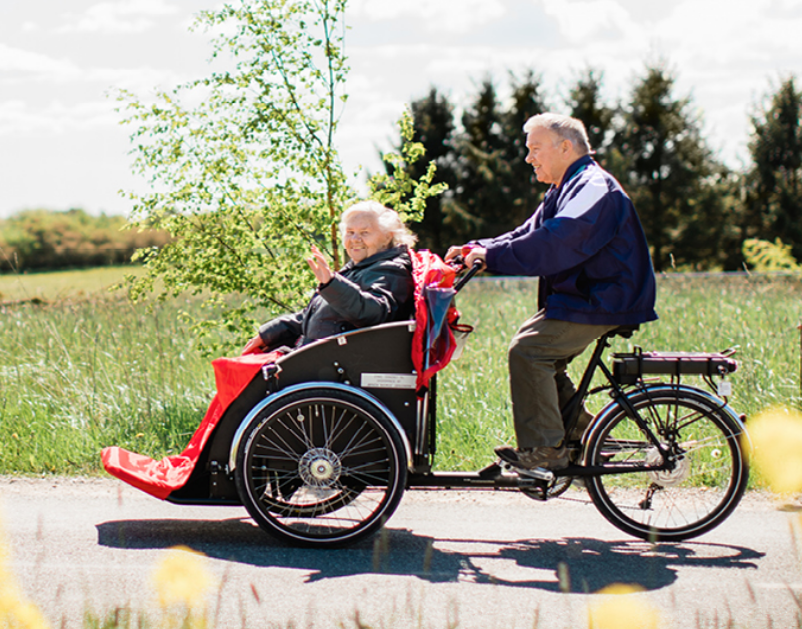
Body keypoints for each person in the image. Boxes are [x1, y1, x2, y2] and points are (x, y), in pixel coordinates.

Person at [446, 113, 657, 472]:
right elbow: (524, 234)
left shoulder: (592, 187)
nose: (529, 158)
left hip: (604, 298)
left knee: (530, 351)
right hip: (583, 297)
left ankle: (545, 451)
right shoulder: (565, 187)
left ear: (565, 147)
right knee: (540, 353)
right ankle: (583, 438)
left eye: (535, 149)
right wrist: (475, 249)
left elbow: (554, 243)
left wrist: (491, 256)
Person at [243, 201, 416, 353]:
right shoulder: (361, 268)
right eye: (350, 232)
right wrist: (267, 334)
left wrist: (332, 283)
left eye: (364, 232)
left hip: (342, 364)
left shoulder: (392, 270)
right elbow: (313, 317)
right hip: (323, 358)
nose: (355, 239)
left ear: (387, 237)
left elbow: (373, 313)